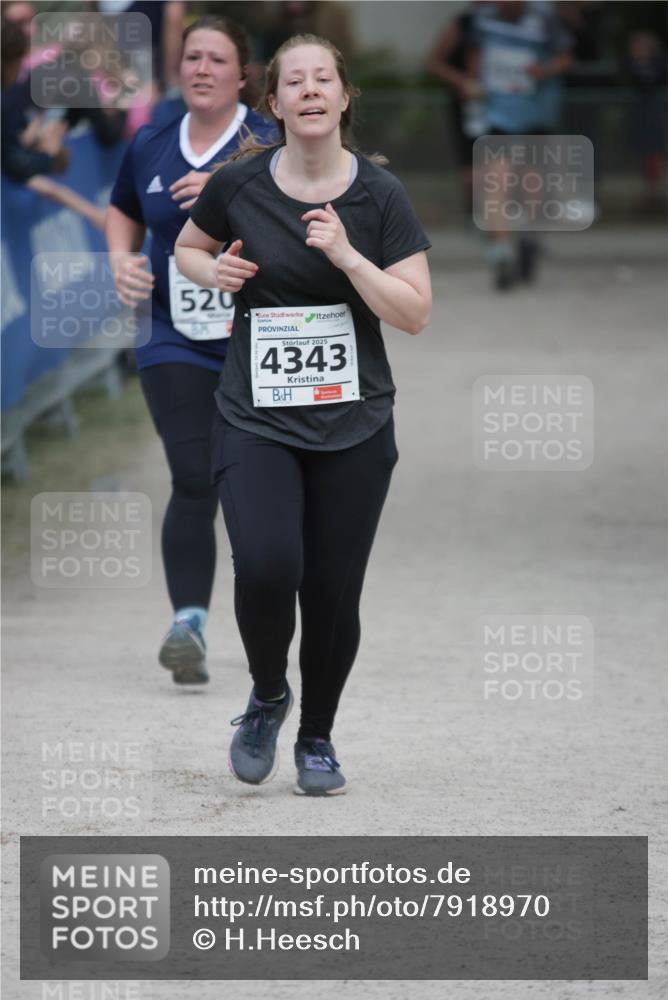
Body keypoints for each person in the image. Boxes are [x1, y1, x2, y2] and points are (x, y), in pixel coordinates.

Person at [175, 34, 431, 795]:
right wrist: (211, 268)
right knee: (266, 563)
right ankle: (267, 696)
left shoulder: (380, 198)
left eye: (325, 79)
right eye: (296, 81)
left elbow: (415, 313)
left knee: (330, 590)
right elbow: (189, 248)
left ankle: (316, 735)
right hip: (255, 414)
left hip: (354, 424)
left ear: (344, 97)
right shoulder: (241, 183)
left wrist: (351, 258)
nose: (311, 90)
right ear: (275, 102)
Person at [105, 16, 276, 685]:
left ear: (242, 75)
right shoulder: (151, 141)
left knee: (253, 483)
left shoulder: (267, 143)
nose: (202, 69)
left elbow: (302, 220)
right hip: (169, 330)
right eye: (193, 57)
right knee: (193, 473)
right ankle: (189, 624)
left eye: (218, 60)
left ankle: (273, 622)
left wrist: (231, 192)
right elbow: (122, 206)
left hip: (256, 332)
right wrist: (120, 259)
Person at [471, 0, 573, 289]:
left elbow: (566, 58)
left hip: (535, 114)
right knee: (496, 180)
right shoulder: (484, 18)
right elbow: (476, 56)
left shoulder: (545, 18)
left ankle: (528, 238)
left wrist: (544, 69)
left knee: (531, 182)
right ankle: (502, 252)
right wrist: (475, 81)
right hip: (498, 114)